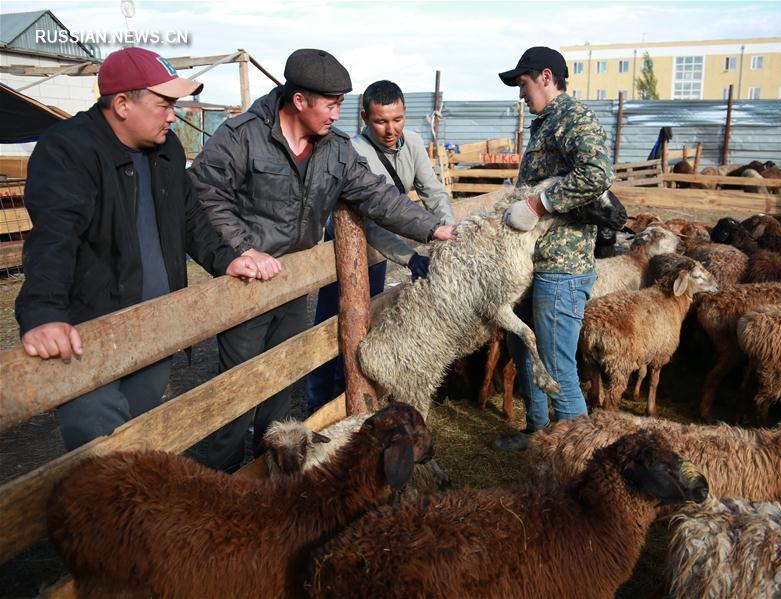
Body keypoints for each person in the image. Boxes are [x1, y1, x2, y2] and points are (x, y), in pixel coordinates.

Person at [188, 49, 456, 471]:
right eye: (331, 104)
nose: (337, 113)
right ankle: (219, 484)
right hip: (245, 284)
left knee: (281, 385)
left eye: (340, 104)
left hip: (294, 284)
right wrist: (241, 247)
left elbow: (376, 195)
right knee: (238, 392)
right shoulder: (242, 136)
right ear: (300, 101)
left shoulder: (334, 149)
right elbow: (204, 192)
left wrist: (431, 227)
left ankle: (268, 477)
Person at [14, 47, 263, 451]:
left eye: (173, 104)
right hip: (90, 332)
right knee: (104, 448)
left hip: (155, 324)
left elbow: (191, 218)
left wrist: (230, 258)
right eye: (163, 104)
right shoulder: (68, 150)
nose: (172, 115)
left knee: (138, 435)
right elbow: (54, 237)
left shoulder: (165, 150)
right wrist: (43, 313)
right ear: (123, 104)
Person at [305, 79, 456, 412]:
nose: (391, 129)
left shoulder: (413, 143)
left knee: (367, 320)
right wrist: (410, 257)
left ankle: (355, 391)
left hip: (377, 252)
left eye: (397, 119)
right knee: (332, 322)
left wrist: (448, 228)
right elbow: (368, 224)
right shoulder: (354, 153)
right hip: (346, 246)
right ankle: (319, 402)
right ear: (364, 117)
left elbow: (432, 192)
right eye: (380, 121)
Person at [492, 47, 614, 451]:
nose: (521, 94)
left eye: (523, 84)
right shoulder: (545, 124)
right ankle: (537, 433)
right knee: (522, 346)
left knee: (558, 364)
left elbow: (597, 173)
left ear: (546, 77)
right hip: (533, 260)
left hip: (563, 264)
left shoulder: (573, 118)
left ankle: (578, 458)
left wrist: (537, 205)